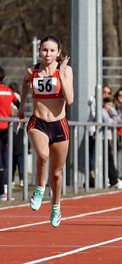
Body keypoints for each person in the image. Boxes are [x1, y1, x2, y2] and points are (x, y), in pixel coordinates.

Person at [18, 35, 74, 227]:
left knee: (56, 174)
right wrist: (22, 104)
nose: (47, 54)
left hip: (59, 125)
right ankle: (40, 188)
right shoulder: (32, 71)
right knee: (42, 154)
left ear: (58, 52)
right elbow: (25, 82)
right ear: (39, 51)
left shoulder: (65, 71)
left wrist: (61, 73)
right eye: (44, 50)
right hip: (38, 122)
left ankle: (56, 206)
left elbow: (70, 99)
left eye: (51, 50)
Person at [0, 67, 20, 201]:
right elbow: (18, 103)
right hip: (5, 130)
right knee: (5, 160)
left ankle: (2, 192)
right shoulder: (8, 91)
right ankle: (5, 191)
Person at [101, 97, 122, 189]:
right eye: (108, 105)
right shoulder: (103, 111)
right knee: (108, 159)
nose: (110, 107)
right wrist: (114, 112)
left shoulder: (107, 112)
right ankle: (113, 181)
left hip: (106, 138)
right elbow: (112, 123)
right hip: (102, 138)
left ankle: (111, 180)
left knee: (108, 159)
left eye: (112, 105)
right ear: (104, 103)